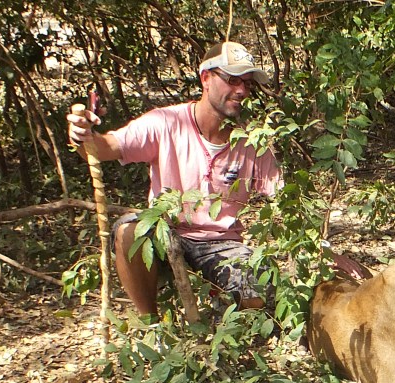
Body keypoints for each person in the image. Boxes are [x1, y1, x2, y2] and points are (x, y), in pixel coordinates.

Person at [66, 40, 367, 317]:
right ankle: (151, 324)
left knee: (259, 292)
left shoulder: (252, 144)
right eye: (232, 80)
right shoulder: (165, 122)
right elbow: (105, 148)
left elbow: (288, 206)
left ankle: (224, 305)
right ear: (206, 78)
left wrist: (326, 253)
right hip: (168, 230)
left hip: (223, 244)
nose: (242, 91)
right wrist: (84, 136)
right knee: (128, 231)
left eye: (247, 84)